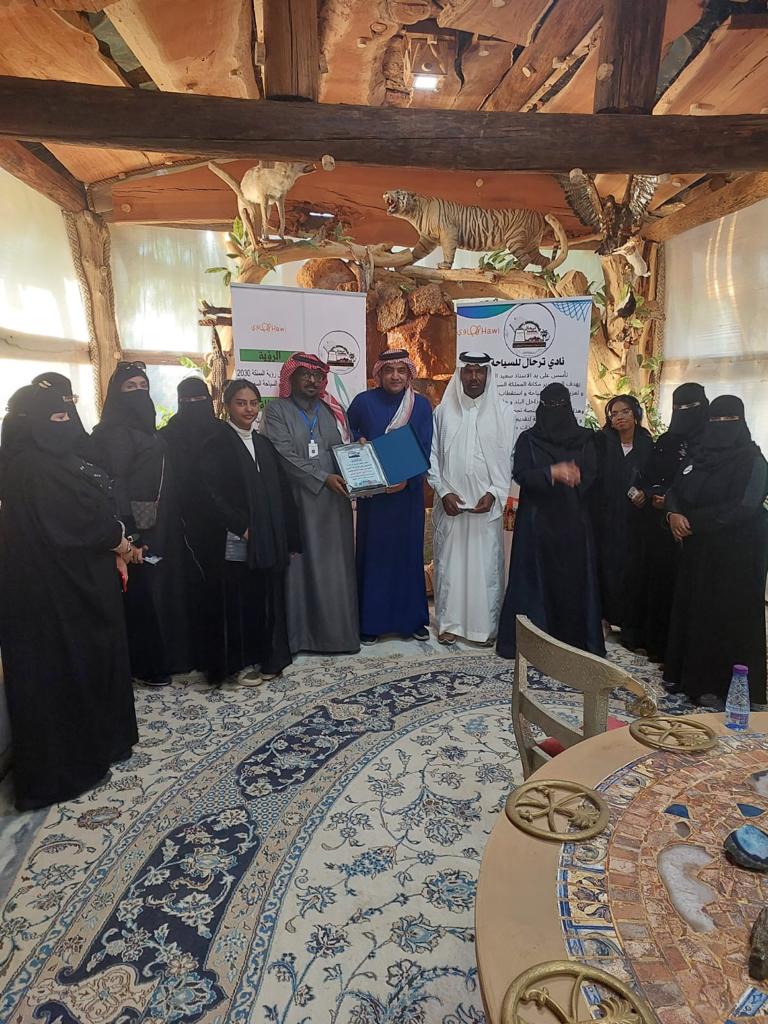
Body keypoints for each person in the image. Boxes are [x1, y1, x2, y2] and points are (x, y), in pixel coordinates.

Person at [0, 383, 137, 810]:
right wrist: (119, 542)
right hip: (55, 595)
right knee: (62, 674)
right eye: (56, 418)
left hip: (68, 586)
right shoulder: (35, 469)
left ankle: (95, 748)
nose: (65, 425)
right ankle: (63, 773)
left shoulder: (39, 462)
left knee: (84, 667)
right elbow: (78, 522)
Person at [92, 361, 194, 685]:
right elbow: (116, 483)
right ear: (116, 394)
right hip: (139, 525)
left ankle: (170, 657)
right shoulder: (114, 433)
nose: (138, 393)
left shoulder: (146, 430)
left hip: (162, 522)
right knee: (146, 592)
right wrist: (130, 532)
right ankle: (147, 664)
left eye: (143, 387)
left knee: (165, 588)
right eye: (130, 387)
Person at [664, 396, 768, 709]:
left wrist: (693, 523)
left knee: (728, 614)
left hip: (738, 553)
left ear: (741, 421)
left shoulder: (753, 461)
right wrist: (672, 514)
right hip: (699, 550)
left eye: (729, 421)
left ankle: (725, 685)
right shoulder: (698, 455)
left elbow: (745, 506)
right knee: (697, 610)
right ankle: (693, 679)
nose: (721, 427)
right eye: (716, 420)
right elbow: (674, 489)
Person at [198, 379, 299, 684]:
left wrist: (290, 536)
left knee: (268, 598)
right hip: (235, 539)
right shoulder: (215, 444)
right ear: (227, 406)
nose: (248, 409)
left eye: (253, 403)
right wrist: (240, 527)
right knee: (238, 601)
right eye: (241, 403)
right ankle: (237, 665)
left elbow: (282, 492)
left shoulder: (263, 443)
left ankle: (268, 659)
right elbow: (210, 494)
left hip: (268, 538)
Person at [496, 383, 604, 659]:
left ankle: (573, 641)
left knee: (572, 584)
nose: (555, 411)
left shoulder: (586, 439)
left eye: (560, 406)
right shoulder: (528, 439)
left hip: (573, 524)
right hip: (537, 524)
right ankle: (535, 645)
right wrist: (551, 473)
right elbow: (521, 474)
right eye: (550, 406)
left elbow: (593, 476)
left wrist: (576, 477)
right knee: (533, 583)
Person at [262, 352, 359, 655]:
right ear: (290, 378)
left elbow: (341, 450)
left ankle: (338, 637)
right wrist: (322, 477)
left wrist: (359, 461)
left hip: (334, 502)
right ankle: (301, 638)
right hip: (298, 502)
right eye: (305, 375)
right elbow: (283, 455)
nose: (313, 381)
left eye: (318, 376)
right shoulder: (276, 410)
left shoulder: (330, 409)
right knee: (300, 570)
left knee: (335, 569)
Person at [428, 352, 516, 645]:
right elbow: (432, 457)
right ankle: (449, 624)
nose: (474, 377)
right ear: (460, 374)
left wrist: (494, 493)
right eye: (468, 371)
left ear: (488, 374)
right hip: (451, 506)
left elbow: (509, 459)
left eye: (480, 371)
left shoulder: (504, 413)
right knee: (450, 566)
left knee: (484, 567)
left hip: (484, 508)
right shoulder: (443, 412)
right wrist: (443, 492)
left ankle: (483, 628)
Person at [347, 349, 433, 644]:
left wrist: (405, 478)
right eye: (389, 370)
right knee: (375, 556)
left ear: (409, 374)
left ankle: (412, 621)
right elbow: (349, 433)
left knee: (408, 556)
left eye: (401, 370)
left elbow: (425, 445)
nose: (395, 376)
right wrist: (358, 442)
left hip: (407, 495)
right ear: (379, 374)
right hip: (375, 497)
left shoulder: (420, 405)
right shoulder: (363, 402)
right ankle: (371, 623)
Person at [643, 383, 709, 662]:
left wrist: (679, 507)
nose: (684, 413)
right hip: (661, 524)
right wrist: (656, 496)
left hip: (697, 527)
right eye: (678, 408)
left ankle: (686, 653)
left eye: (690, 407)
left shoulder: (714, 441)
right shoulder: (666, 442)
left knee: (693, 591)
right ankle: (659, 646)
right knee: (662, 582)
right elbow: (649, 475)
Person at [160, 376, 220, 672]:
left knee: (220, 588)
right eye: (187, 401)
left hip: (222, 524)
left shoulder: (222, 432)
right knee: (187, 588)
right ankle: (189, 653)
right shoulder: (166, 436)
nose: (194, 406)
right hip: (181, 525)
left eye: (200, 400)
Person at [593, 394, 654, 650]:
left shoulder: (648, 444)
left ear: (636, 414)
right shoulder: (601, 442)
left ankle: (630, 626)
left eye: (625, 412)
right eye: (614, 413)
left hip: (636, 521)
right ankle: (604, 620)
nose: (619, 417)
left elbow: (656, 478)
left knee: (633, 572)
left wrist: (646, 494)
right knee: (606, 568)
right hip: (606, 518)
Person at [30, 371, 93, 459]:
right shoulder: (31, 455)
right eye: (60, 399)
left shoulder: (76, 431)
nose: (68, 418)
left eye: (69, 398)